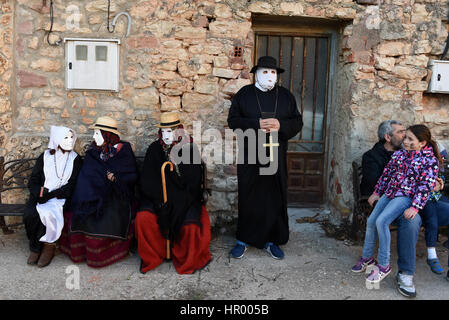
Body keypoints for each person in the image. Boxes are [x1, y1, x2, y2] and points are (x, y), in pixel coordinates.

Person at [227, 56, 303, 260]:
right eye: (265, 72)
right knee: (249, 195)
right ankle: (243, 239)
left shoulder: (286, 96)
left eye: (273, 72)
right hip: (250, 154)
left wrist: (281, 126)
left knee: (274, 196)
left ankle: (272, 240)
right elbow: (233, 121)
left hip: (276, 154)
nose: (270, 76)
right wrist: (256, 124)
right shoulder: (244, 94)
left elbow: (297, 122)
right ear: (256, 74)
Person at [352, 125, 441, 288]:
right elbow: (387, 174)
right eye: (405, 137)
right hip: (390, 193)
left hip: (406, 197)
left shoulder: (429, 160)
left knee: (382, 221)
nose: (405, 141)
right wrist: (377, 192)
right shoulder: (399, 154)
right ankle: (367, 257)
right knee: (372, 220)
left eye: (410, 139)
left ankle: (384, 265)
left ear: (422, 143)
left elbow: (425, 186)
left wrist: (415, 207)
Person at [135, 111, 211, 274]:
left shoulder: (190, 149)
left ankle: (184, 259)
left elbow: (193, 182)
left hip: (184, 198)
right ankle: (156, 254)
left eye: (170, 131)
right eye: (163, 131)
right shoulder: (155, 149)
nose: (166, 135)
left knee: (190, 225)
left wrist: (175, 167)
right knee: (143, 218)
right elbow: (147, 180)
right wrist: (161, 200)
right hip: (159, 197)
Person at [59, 116, 138, 268]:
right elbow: (87, 176)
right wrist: (94, 191)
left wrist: (116, 179)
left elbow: (131, 174)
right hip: (92, 194)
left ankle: (103, 256)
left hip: (116, 195)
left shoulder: (124, 151)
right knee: (83, 215)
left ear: (107, 135)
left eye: (97, 133)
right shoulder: (93, 153)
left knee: (105, 218)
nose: (94, 137)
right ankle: (83, 254)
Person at [24, 126, 81, 267]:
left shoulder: (75, 159)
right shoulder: (45, 157)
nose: (70, 141)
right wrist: (40, 193)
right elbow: (34, 180)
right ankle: (35, 248)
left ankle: (49, 247)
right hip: (42, 195)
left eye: (71, 137)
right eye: (65, 138)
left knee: (50, 213)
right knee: (30, 213)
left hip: (61, 197)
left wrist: (52, 194)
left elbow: (72, 184)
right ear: (56, 139)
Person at [418, 143, 449, 274]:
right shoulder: (408, 152)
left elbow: (440, 174)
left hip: (435, 196)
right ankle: (432, 255)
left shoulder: (434, 148)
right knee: (431, 216)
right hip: (421, 198)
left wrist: (440, 183)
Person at [360, 120, 405, 196]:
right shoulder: (371, 157)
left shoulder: (404, 153)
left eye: (404, 131)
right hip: (379, 199)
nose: (404, 135)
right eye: (400, 132)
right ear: (388, 137)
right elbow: (374, 184)